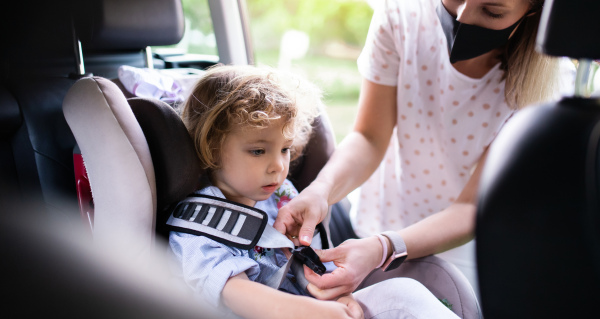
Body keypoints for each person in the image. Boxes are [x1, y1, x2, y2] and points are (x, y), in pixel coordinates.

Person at [273, 0, 573, 299]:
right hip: (370, 222)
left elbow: (469, 207)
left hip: (458, 257)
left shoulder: (549, 84)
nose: (462, 17)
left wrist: (385, 248)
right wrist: (321, 192)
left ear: (532, 11)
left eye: (492, 12)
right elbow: (370, 138)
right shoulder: (402, 13)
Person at [168, 65, 460, 319]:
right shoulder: (198, 226)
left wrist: (332, 295)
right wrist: (310, 312)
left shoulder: (279, 195)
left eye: (284, 149)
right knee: (402, 300)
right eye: (258, 151)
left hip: (312, 306)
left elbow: (300, 261)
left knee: (410, 294)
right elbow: (234, 290)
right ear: (212, 149)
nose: (277, 166)